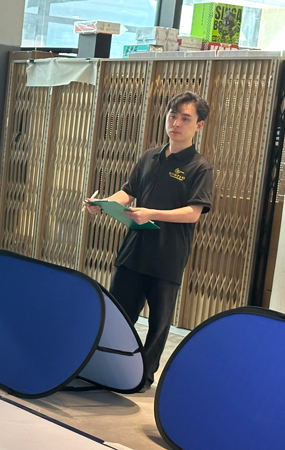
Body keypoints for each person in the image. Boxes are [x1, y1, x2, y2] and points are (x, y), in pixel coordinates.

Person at [85, 91, 213, 393]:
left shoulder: (199, 167)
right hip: (133, 251)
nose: (176, 123)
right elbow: (128, 192)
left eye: (185, 119)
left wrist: (152, 213)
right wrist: (102, 204)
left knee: (158, 324)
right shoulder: (149, 157)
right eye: (172, 116)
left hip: (167, 257)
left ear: (199, 126)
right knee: (117, 315)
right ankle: (104, 367)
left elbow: (193, 213)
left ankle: (142, 377)